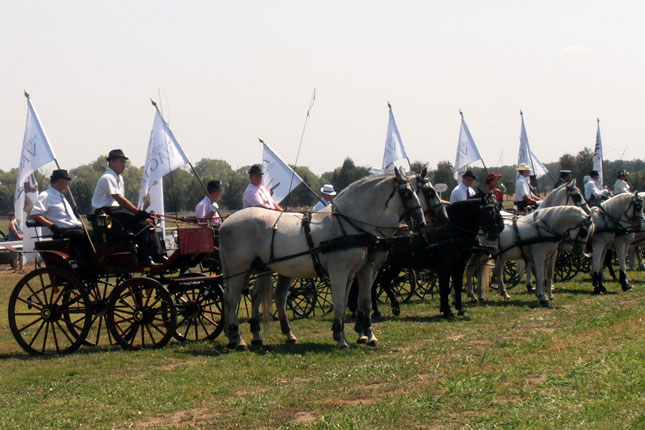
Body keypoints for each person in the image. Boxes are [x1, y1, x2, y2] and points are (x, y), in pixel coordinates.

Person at [91, 149, 165, 266]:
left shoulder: (118, 178)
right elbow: (120, 199)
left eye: (124, 162)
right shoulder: (108, 177)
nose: (124, 165)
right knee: (142, 224)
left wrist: (140, 214)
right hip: (106, 213)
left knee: (149, 222)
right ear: (112, 162)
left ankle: (158, 254)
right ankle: (144, 258)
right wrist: (138, 212)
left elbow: (122, 202)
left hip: (116, 210)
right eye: (121, 161)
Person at [30, 169, 95, 267]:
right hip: (62, 231)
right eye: (66, 181)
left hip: (74, 228)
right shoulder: (46, 195)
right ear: (60, 181)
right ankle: (85, 263)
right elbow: (35, 214)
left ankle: (92, 260)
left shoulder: (60, 196)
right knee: (80, 235)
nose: (67, 184)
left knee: (94, 234)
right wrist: (52, 226)